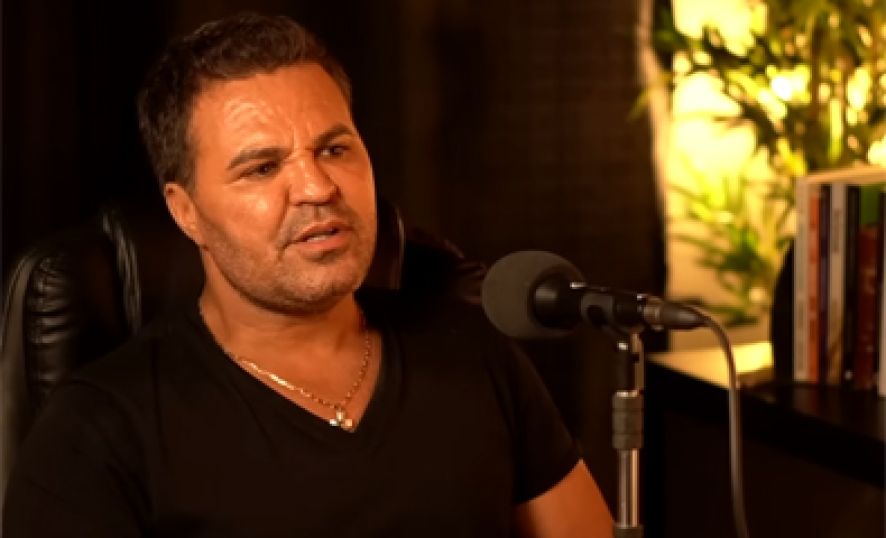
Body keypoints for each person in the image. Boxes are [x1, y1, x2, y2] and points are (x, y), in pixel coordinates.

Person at [2, 12, 612, 537]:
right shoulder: (99, 430)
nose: (317, 187)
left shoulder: (476, 354)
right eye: (263, 168)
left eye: (335, 149)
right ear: (186, 212)